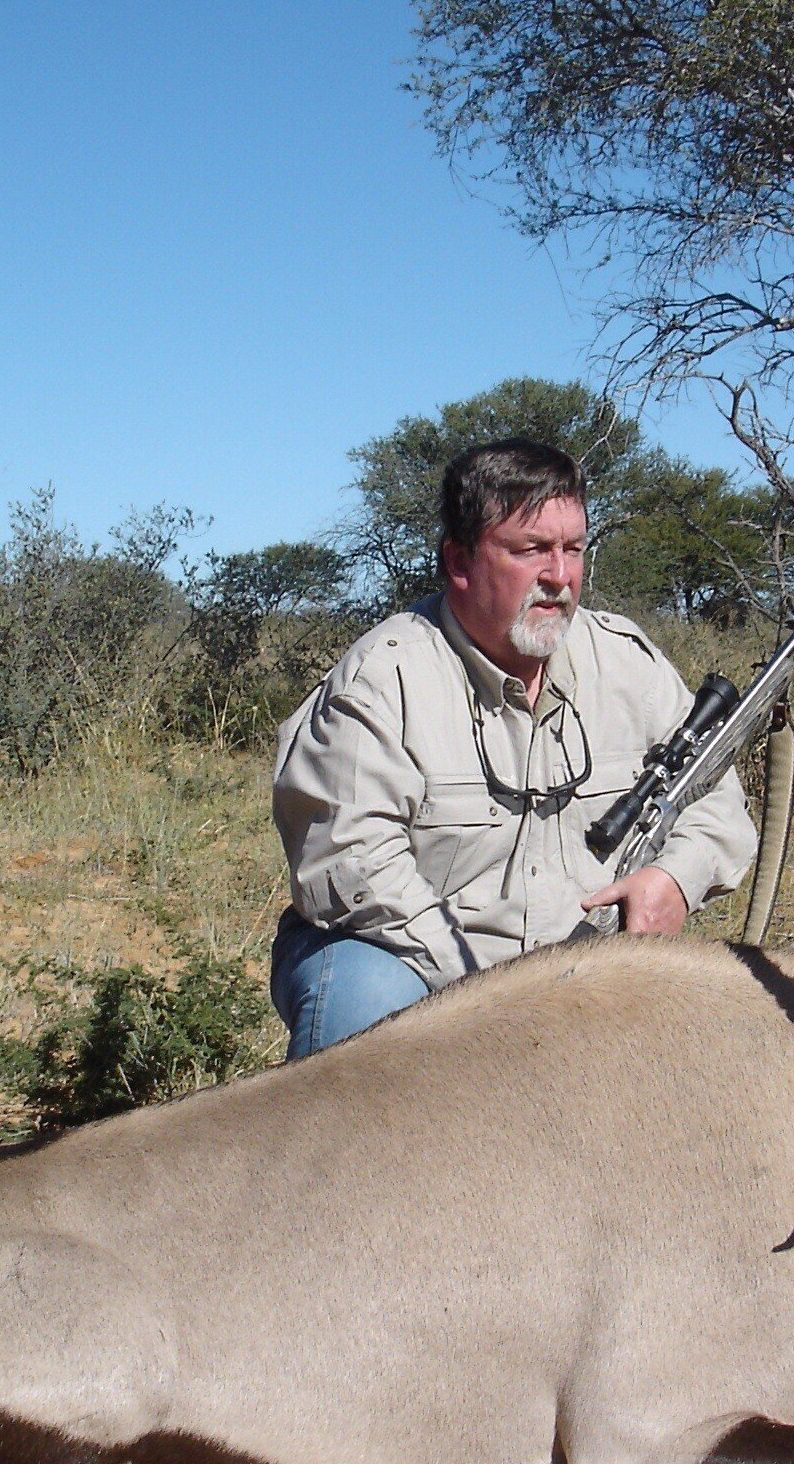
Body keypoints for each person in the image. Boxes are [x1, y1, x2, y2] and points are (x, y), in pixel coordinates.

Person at [269, 438, 755, 1059]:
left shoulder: (628, 661)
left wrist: (674, 880)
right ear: (460, 562)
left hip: (587, 966)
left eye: (573, 549)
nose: (560, 576)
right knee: (362, 1000)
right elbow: (353, 868)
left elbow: (715, 801)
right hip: (419, 961)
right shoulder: (380, 679)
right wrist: (500, 1007)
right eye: (531, 550)